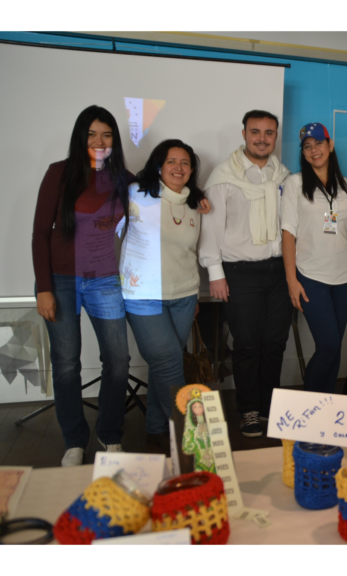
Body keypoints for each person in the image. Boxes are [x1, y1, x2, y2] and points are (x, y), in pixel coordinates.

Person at [32, 105, 132, 466]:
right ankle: (74, 441)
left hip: (105, 279)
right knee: (66, 364)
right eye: (91, 134)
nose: (99, 141)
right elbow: (41, 233)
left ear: (114, 140)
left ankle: (109, 435)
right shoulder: (59, 173)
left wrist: (197, 194)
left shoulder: (123, 177)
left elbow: (164, 186)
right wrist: (44, 287)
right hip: (59, 282)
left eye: (106, 134)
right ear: (80, 137)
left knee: (118, 360)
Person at [199, 110, 292, 438]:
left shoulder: (284, 176)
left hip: (280, 270)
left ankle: (272, 408)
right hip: (239, 272)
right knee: (248, 344)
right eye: (256, 132)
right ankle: (249, 410)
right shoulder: (224, 175)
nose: (262, 138)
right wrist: (215, 272)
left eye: (269, 133)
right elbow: (210, 227)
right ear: (244, 134)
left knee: (275, 343)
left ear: (275, 137)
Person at [118, 140, 210, 444]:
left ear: (192, 169)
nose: (178, 168)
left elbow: (191, 253)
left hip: (183, 296)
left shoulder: (196, 203)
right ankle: (187, 435)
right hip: (143, 295)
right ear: (159, 166)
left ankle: (157, 430)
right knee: (170, 361)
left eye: (185, 163)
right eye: (171, 161)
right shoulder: (136, 195)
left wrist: (195, 296)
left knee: (163, 364)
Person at [281, 123, 347, 394]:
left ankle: (329, 407)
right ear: (303, 152)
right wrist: (291, 281)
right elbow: (288, 234)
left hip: (346, 278)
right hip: (311, 277)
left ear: (330, 144)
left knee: (336, 348)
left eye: (318, 143)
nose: (314, 150)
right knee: (328, 346)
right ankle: (308, 408)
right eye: (307, 146)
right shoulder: (295, 183)